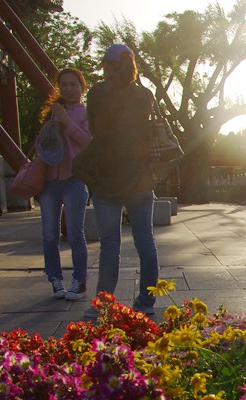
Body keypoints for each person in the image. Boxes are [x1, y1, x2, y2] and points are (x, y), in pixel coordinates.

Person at [82, 44, 159, 317]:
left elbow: (94, 130)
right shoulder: (144, 95)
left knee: (110, 245)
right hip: (139, 175)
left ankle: (103, 305)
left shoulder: (98, 93)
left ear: (108, 66)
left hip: (107, 176)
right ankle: (147, 302)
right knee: (145, 242)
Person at [38, 67, 91, 301]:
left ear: (82, 87)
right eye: (64, 84)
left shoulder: (86, 113)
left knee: (75, 233)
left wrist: (65, 119)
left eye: (73, 84)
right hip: (48, 180)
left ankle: (79, 281)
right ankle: (54, 279)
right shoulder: (51, 113)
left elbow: (87, 141)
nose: (69, 88)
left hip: (74, 179)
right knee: (49, 234)